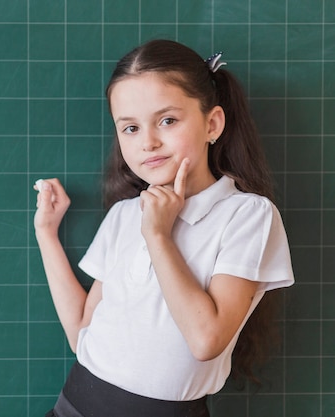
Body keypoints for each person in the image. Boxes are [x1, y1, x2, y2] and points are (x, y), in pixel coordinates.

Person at [33, 39, 294, 417]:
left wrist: (158, 235)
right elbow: (81, 335)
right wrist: (46, 234)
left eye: (167, 120)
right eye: (130, 128)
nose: (149, 142)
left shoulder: (247, 215)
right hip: (72, 406)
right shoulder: (124, 214)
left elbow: (206, 340)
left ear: (212, 123)